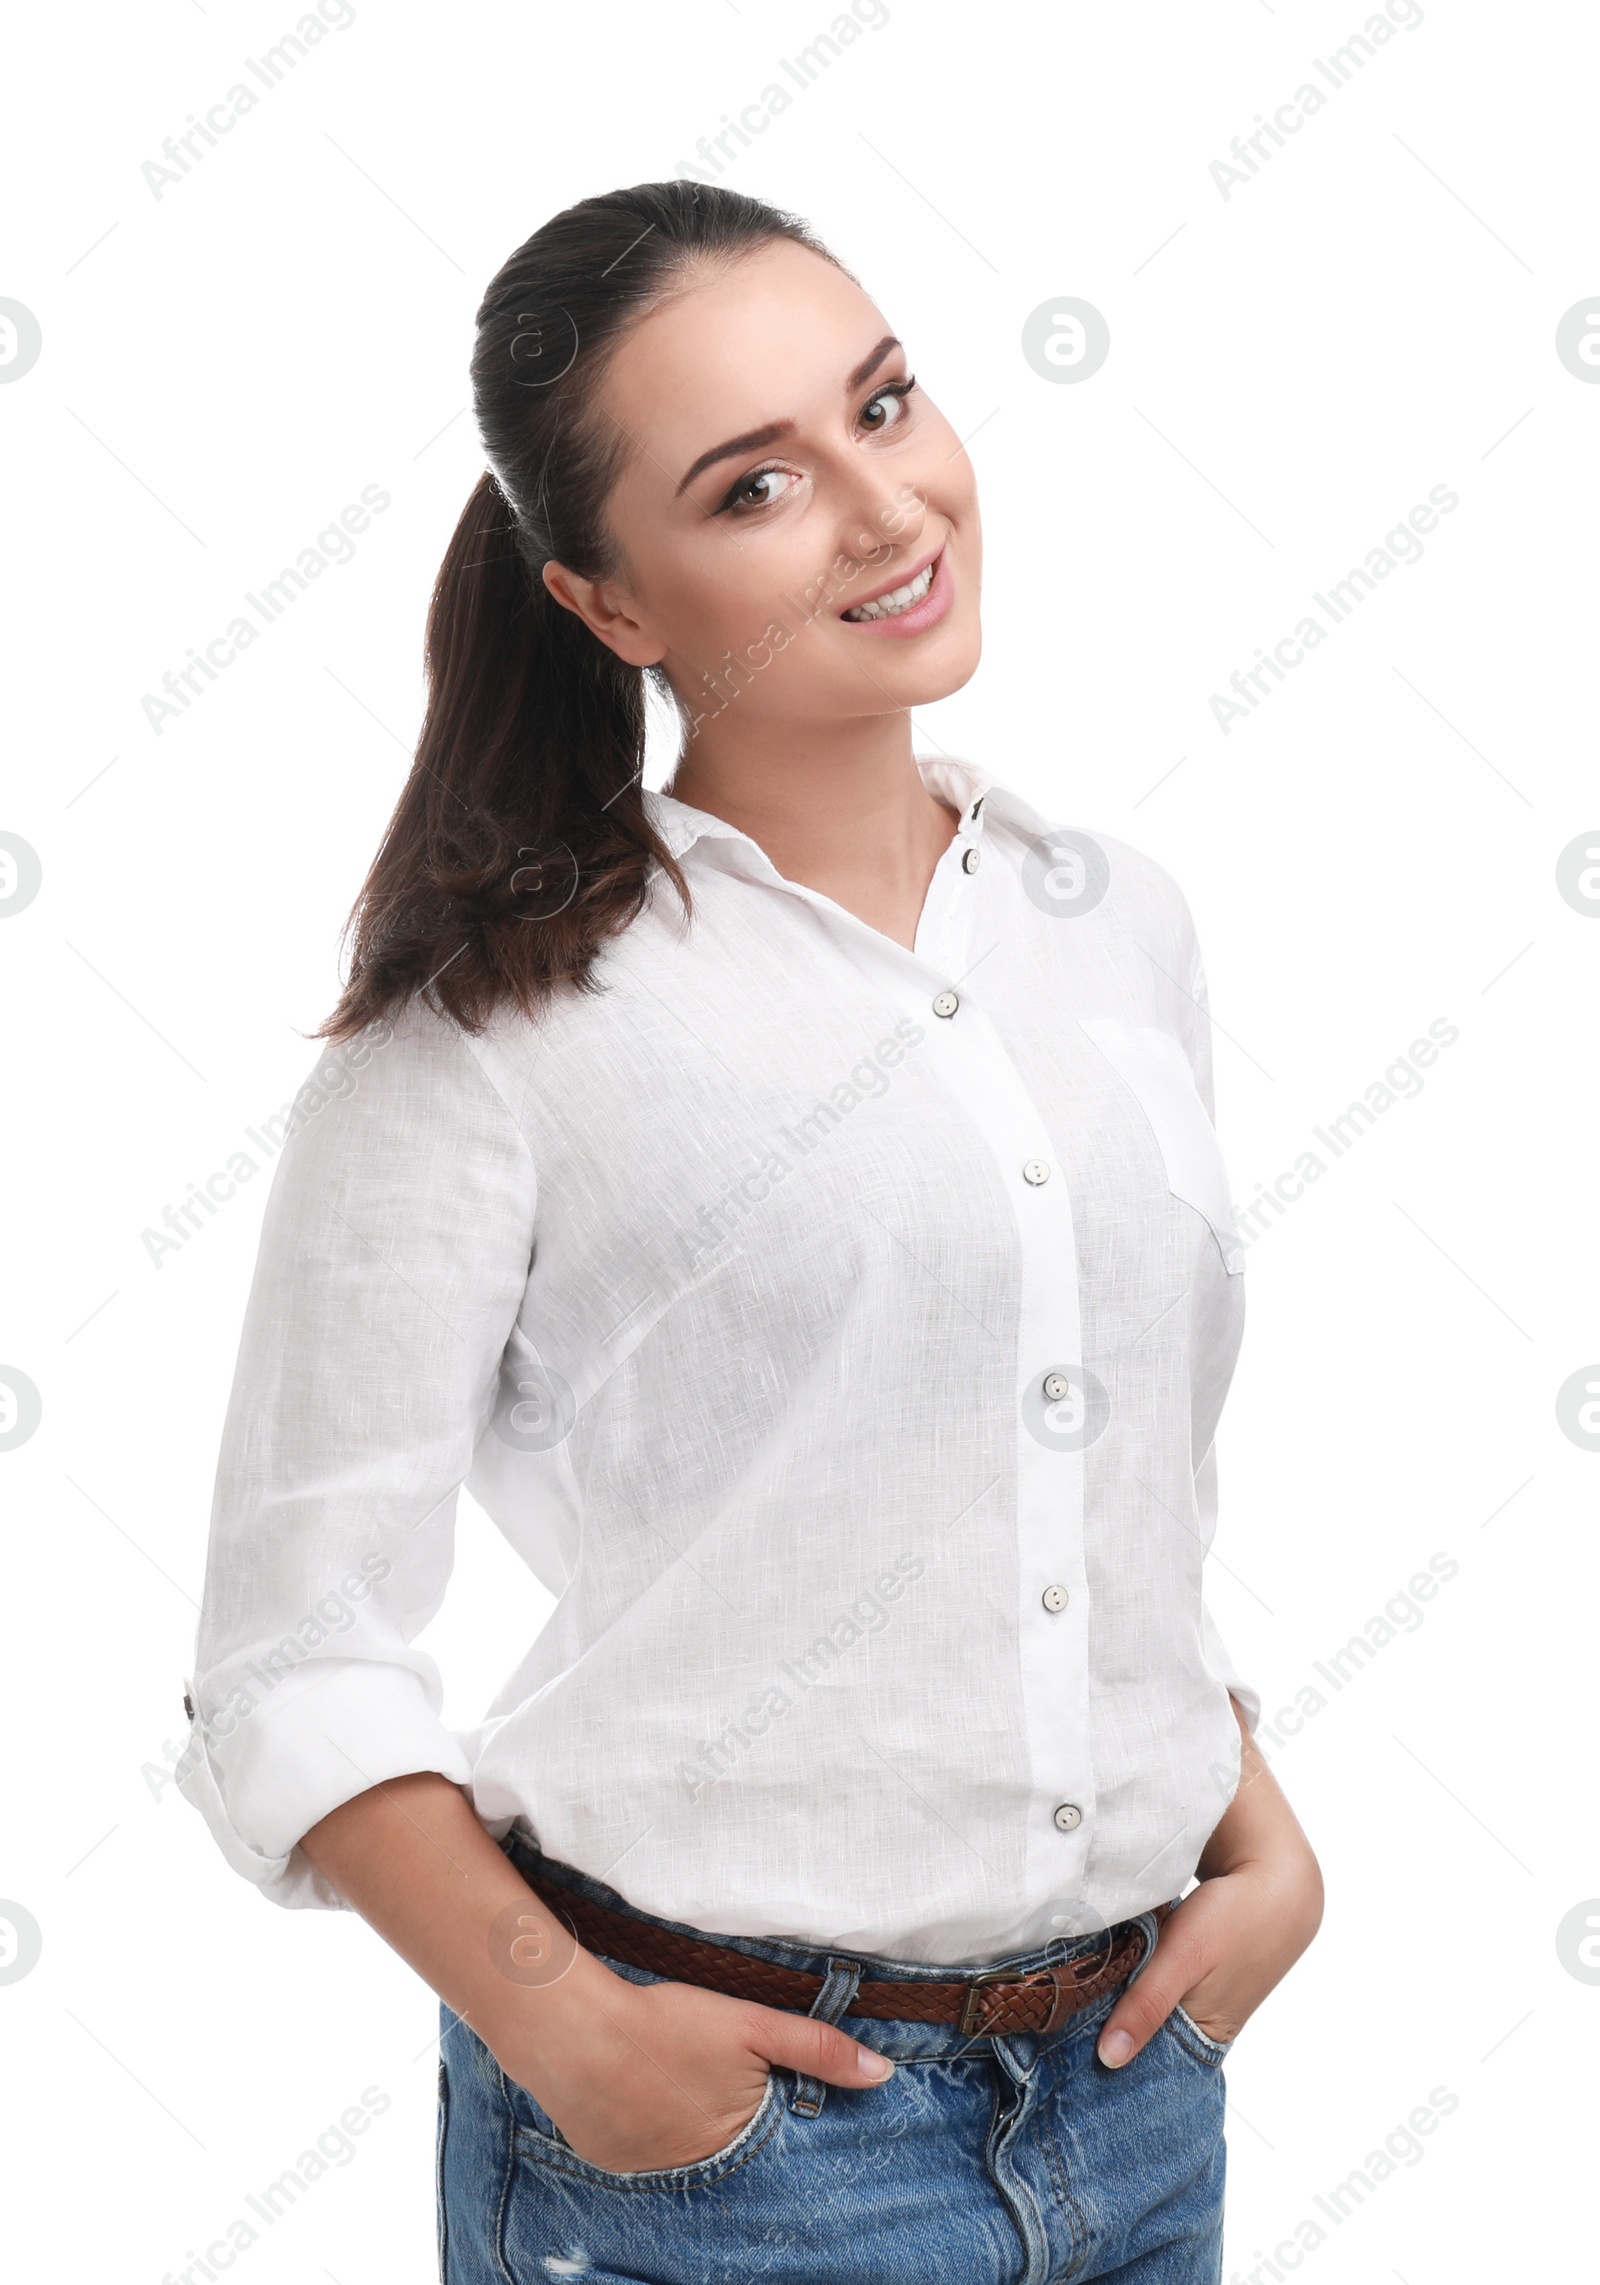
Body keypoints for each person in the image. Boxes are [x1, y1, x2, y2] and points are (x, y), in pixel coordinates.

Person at [178, 179, 1322, 2284]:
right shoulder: (499, 1026)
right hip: (739, 2151)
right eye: (757, 486)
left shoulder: (1113, 920)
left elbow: (1095, 1465)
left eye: (883, 404)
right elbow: (287, 1655)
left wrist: (1259, 1842)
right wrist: (580, 2043)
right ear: (607, 605)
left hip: (1137, 2091)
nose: (887, 512)